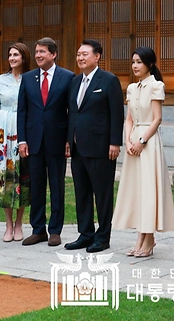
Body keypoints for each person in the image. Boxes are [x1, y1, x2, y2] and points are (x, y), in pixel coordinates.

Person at [112, 47, 174, 257]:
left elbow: (157, 118)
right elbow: (129, 118)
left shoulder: (156, 86)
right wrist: (128, 139)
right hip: (133, 142)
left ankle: (148, 237)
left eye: (139, 62)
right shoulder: (132, 88)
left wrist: (141, 140)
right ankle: (140, 236)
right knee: (137, 191)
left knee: (149, 190)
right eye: (133, 62)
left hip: (148, 143)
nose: (135, 66)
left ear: (149, 64)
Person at [65, 40, 124, 253]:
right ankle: (85, 233)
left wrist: (115, 142)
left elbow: (117, 114)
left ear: (97, 56)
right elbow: (73, 113)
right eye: (78, 54)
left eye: (85, 54)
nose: (80, 58)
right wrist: (68, 140)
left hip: (101, 146)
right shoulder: (74, 82)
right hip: (78, 146)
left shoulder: (108, 80)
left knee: (102, 193)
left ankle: (103, 236)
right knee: (81, 192)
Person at [17, 37, 73, 246]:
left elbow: (71, 112)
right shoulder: (28, 78)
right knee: (36, 186)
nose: (38, 55)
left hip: (57, 140)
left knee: (57, 186)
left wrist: (69, 139)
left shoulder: (67, 77)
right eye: (37, 51)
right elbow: (22, 111)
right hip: (33, 141)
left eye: (43, 52)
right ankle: (38, 229)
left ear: (53, 54)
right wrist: (22, 140)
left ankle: (55, 230)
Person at [0, 42, 31, 242]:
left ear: (24, 57)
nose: (13, 58)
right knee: (4, 177)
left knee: (22, 176)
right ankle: (7, 224)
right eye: (10, 54)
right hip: (2, 131)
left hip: (22, 129)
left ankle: (20, 222)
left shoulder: (30, 79)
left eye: (16, 54)